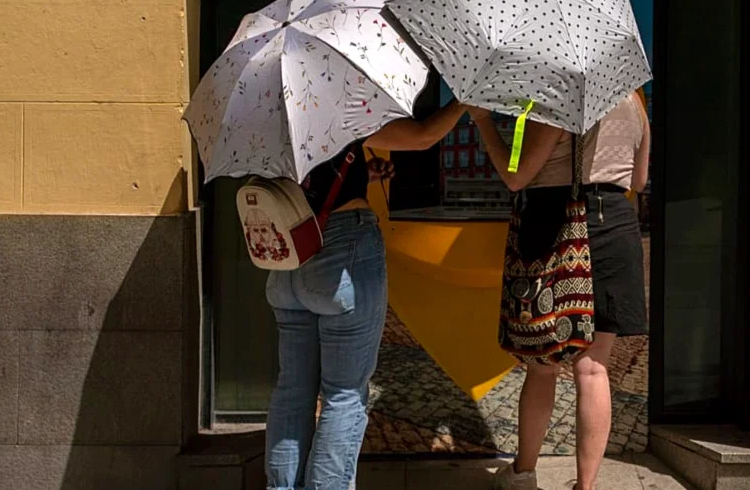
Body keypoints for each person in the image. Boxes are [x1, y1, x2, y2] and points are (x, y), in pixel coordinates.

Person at [263, 100, 465, 490]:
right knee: (342, 394)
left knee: (292, 390)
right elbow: (422, 136)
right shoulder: (336, 99)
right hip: (341, 249)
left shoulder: (271, 106)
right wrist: (465, 104)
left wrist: (358, 175)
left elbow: (310, 177)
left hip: (287, 256)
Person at [468, 91, 650, 490]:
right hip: (615, 224)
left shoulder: (558, 97)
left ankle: (523, 474)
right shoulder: (634, 101)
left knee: (543, 364)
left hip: (559, 225)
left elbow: (516, 176)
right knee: (594, 367)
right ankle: (586, 487)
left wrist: (482, 122)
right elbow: (638, 181)